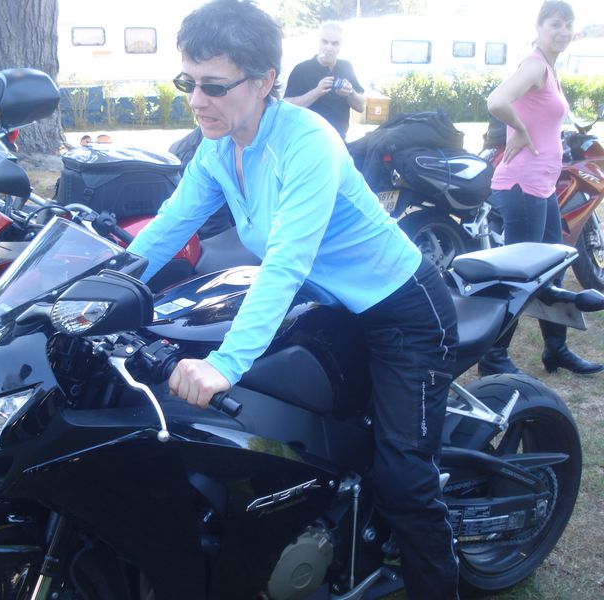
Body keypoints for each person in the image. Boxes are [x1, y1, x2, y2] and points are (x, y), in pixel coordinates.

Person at [127, 1, 459, 597]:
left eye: (213, 85)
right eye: (187, 82)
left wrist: (226, 363)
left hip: (401, 311)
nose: (196, 100)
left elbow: (285, 261)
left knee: (405, 480)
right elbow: (168, 227)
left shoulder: (307, 142)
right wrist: (102, 286)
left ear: (264, 82)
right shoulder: (218, 147)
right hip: (329, 308)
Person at [479, 0, 602, 376]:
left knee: (553, 269)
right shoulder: (534, 65)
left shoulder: (549, 67)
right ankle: (493, 356)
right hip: (522, 185)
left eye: (567, 24)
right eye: (555, 24)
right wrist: (519, 128)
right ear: (539, 27)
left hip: (542, 185)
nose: (562, 31)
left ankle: (556, 348)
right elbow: (496, 100)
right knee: (520, 274)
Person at [283, 20, 365, 140]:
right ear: (318, 42)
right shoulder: (302, 69)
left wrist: (350, 92)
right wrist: (316, 92)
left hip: (338, 138)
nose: (329, 48)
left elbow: (361, 107)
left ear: (341, 46)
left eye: (335, 43)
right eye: (325, 42)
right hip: (308, 137)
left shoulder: (346, 67)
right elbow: (286, 107)